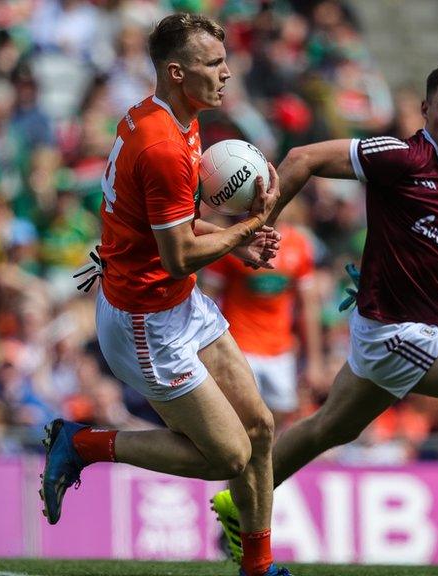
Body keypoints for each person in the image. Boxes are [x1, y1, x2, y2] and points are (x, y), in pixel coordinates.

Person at [210, 61, 438, 560]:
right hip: (391, 330)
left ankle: (237, 499)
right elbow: (302, 157)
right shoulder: (400, 155)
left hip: (414, 328)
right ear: (425, 110)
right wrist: (253, 227)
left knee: (331, 427)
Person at [40, 13, 292, 576]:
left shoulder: (167, 117)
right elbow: (177, 252)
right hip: (145, 320)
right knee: (228, 454)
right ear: (177, 72)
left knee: (261, 428)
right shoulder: (163, 147)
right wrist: (250, 227)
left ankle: (259, 566)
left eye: (225, 61)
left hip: (176, 300)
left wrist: (231, 245)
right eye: (214, 64)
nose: (227, 74)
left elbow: (164, 231)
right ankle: (83, 444)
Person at [201, 203, 325, 429]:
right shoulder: (233, 242)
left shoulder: (299, 244)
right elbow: (208, 300)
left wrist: (314, 361)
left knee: (279, 421)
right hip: (239, 349)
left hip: (281, 351)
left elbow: (308, 306)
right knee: (246, 421)